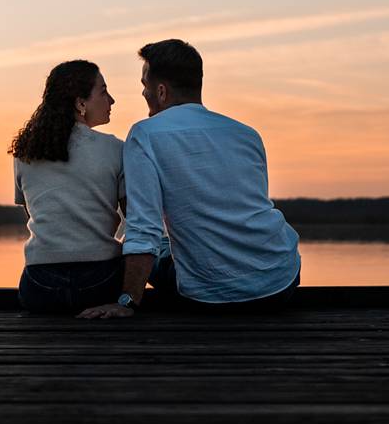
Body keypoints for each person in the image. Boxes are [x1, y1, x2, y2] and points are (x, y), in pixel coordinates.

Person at [80, 39, 300, 319]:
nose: (143, 93)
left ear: (161, 91)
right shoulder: (247, 134)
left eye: (144, 85)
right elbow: (245, 210)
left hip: (207, 296)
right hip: (280, 281)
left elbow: (143, 225)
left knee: (141, 241)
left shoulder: (145, 135)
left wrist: (126, 301)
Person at [9, 59, 125, 314]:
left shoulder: (25, 152)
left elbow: (33, 213)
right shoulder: (116, 149)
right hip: (100, 283)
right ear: (80, 103)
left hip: (40, 286)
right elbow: (135, 220)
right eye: (103, 91)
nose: (112, 100)